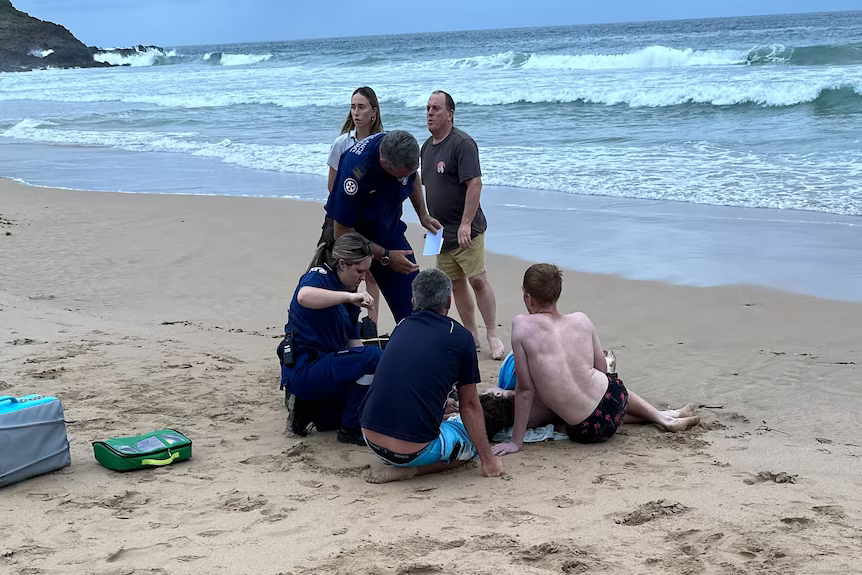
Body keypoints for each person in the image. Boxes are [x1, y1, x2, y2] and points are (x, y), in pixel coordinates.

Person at [491, 264, 700, 456]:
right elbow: (601, 370)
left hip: (590, 429)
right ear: (557, 294)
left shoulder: (521, 326)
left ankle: (667, 417)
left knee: (577, 411)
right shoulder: (581, 319)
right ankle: (665, 416)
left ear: (528, 297)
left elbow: (525, 390)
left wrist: (516, 442)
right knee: (608, 389)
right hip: (615, 400)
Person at [360, 268, 504, 483]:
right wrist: (489, 459)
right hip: (412, 452)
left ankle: (408, 459)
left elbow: (405, 381)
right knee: (473, 439)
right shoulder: (461, 337)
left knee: (447, 416)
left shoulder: (401, 326)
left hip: (370, 438)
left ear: (413, 301)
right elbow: (470, 405)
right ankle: (413, 471)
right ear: (448, 301)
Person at [277, 232, 382, 446]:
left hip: (327, 366)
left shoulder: (348, 291)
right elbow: (303, 296)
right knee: (374, 357)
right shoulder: (320, 276)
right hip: (305, 367)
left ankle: (310, 410)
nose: (362, 278)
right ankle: (350, 430)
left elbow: (354, 344)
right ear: (342, 264)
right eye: (359, 271)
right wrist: (350, 297)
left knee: (371, 366)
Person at [421, 90, 504, 360]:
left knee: (477, 279)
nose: (430, 113)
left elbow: (475, 184)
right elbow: (428, 189)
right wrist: (426, 219)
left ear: (450, 114)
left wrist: (466, 223)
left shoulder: (462, 144)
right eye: (428, 108)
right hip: (440, 232)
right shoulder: (425, 148)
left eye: (436, 108)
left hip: (467, 228)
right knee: (454, 284)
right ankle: (471, 334)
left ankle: (492, 333)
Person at [326, 129, 441, 323]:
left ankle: (413, 336)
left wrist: (423, 214)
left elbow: (412, 177)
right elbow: (342, 233)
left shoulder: (401, 154)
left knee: (414, 300)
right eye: (400, 175)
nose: (407, 177)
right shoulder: (355, 171)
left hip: (388, 227)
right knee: (344, 308)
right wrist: (386, 256)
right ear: (384, 163)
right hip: (353, 236)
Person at [321, 87, 384, 324]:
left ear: (373, 112)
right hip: (343, 218)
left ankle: (372, 325)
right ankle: (344, 319)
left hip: (370, 219)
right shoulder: (342, 143)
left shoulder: (381, 142)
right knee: (344, 269)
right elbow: (332, 185)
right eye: (353, 107)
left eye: (361, 107)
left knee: (371, 274)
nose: (356, 113)